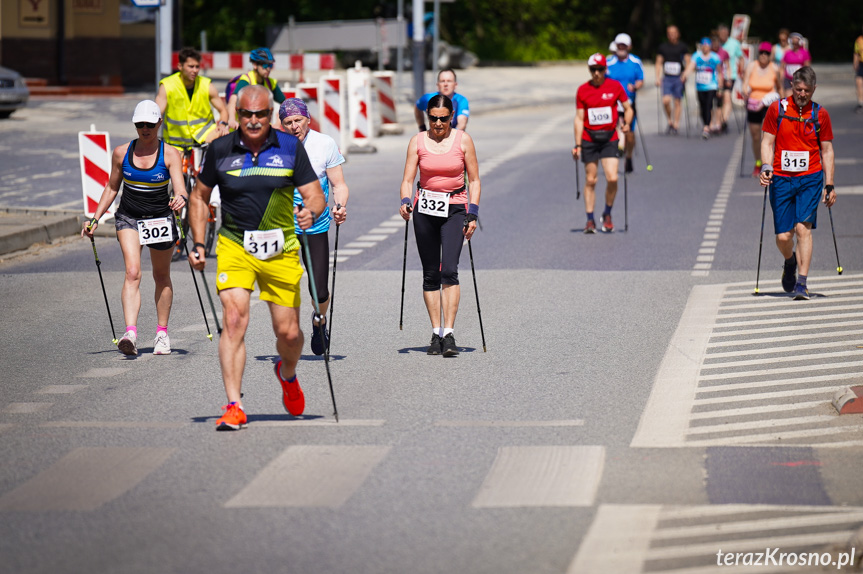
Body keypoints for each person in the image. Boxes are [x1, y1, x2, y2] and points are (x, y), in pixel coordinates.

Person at [187, 85, 327, 431]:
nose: (253, 121)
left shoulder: (290, 147)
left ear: (270, 115)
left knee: (290, 335)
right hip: (236, 245)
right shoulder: (220, 149)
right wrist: (200, 244)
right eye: (246, 114)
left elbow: (315, 196)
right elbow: (198, 198)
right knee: (234, 320)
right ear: (237, 115)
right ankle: (234, 404)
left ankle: (287, 372)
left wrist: (310, 212)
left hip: (281, 248)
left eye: (260, 114)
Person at [81, 100, 186, 356]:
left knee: (161, 276)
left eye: (150, 124)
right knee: (132, 272)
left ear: (159, 124)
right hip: (129, 217)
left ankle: (162, 333)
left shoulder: (170, 154)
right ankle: (130, 333)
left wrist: (181, 198)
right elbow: (112, 187)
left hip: (160, 219)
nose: (145, 129)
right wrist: (95, 218)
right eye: (140, 124)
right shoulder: (121, 152)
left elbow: (181, 188)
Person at [400, 94, 481, 357]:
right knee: (430, 273)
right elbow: (408, 179)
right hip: (425, 208)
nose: (437, 123)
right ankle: (435, 333)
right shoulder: (417, 141)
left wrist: (473, 213)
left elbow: (475, 181)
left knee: (449, 270)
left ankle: (449, 332)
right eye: (433, 118)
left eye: (443, 118)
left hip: (455, 208)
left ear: (451, 117)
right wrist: (404, 200)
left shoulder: (463, 140)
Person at [279, 97, 350, 355]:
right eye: (288, 122)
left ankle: (319, 321)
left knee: (319, 289)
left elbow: (338, 185)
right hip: (282, 225)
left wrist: (340, 205)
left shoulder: (324, 144)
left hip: (315, 223)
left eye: (298, 120)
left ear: (308, 119)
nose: (294, 126)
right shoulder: (273, 147)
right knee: (284, 283)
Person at [759, 67, 835, 301]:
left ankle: (802, 283)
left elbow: (827, 150)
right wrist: (766, 166)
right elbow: (767, 142)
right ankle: (790, 262)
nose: (802, 94)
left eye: (807, 91)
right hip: (781, 178)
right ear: (792, 86)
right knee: (784, 236)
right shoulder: (777, 109)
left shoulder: (820, 114)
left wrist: (829, 184)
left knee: (803, 229)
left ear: (814, 89)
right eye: (799, 89)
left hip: (810, 178)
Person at [572, 53, 633, 233]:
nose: (596, 73)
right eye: (593, 70)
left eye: (600, 69)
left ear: (605, 69)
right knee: (591, 180)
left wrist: (627, 123)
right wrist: (577, 145)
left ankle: (607, 213)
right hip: (589, 139)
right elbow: (579, 119)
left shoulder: (615, 86)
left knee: (612, 177)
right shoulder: (583, 90)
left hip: (609, 138)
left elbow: (628, 108)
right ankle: (590, 219)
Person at [155, 46, 230, 151]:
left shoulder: (206, 85)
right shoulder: (167, 86)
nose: (195, 70)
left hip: (205, 137)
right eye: (191, 66)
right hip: (176, 143)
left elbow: (223, 110)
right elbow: (156, 114)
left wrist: (222, 125)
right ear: (180, 66)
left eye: (197, 67)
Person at [742, 42, 781, 177]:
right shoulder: (752, 66)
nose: (764, 56)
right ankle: (758, 162)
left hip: (768, 105)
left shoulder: (774, 68)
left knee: (768, 135)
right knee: (755, 136)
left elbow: (779, 87)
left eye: (767, 53)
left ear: (770, 55)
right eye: (762, 53)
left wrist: (783, 102)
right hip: (753, 103)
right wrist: (745, 92)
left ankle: (769, 163)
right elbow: (745, 83)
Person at [607, 33, 643, 173]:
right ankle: (619, 150)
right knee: (617, 125)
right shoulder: (609, 62)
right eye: (619, 45)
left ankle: (628, 156)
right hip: (613, 102)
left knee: (629, 132)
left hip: (629, 102)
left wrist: (635, 87)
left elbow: (640, 79)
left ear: (629, 46)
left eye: (624, 45)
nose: (621, 47)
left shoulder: (635, 62)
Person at [227, 48, 287, 130]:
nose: (268, 69)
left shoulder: (271, 83)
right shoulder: (246, 80)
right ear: (255, 65)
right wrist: (232, 119)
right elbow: (233, 100)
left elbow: (285, 104)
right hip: (243, 128)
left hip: (262, 128)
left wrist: (278, 122)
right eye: (265, 65)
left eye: (270, 65)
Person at [681, 37, 723, 139]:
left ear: (710, 47)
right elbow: (691, 66)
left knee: (708, 105)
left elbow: (720, 72)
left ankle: (706, 127)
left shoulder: (715, 57)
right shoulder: (697, 56)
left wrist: (720, 87)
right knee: (702, 106)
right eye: (703, 46)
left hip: (711, 85)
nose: (705, 48)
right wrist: (685, 75)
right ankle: (706, 123)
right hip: (700, 86)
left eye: (707, 46)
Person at [655, 25, 690, 135]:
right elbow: (658, 62)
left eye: (674, 33)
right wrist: (657, 77)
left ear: (678, 34)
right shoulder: (663, 47)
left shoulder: (683, 47)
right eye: (669, 33)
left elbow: (688, 62)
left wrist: (685, 74)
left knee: (677, 101)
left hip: (678, 77)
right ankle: (669, 120)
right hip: (667, 77)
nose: (672, 35)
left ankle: (676, 124)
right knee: (665, 100)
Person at [718, 24, 745, 132]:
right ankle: (717, 119)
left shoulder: (734, 44)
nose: (723, 36)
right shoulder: (715, 44)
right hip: (716, 76)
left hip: (730, 75)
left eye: (725, 34)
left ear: (728, 34)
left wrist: (741, 71)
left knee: (727, 97)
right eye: (721, 34)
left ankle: (723, 121)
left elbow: (741, 57)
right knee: (719, 99)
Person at [854, 27, 863, 112]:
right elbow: (856, 53)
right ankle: (860, 103)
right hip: (861, 63)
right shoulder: (859, 40)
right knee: (858, 82)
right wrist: (855, 63)